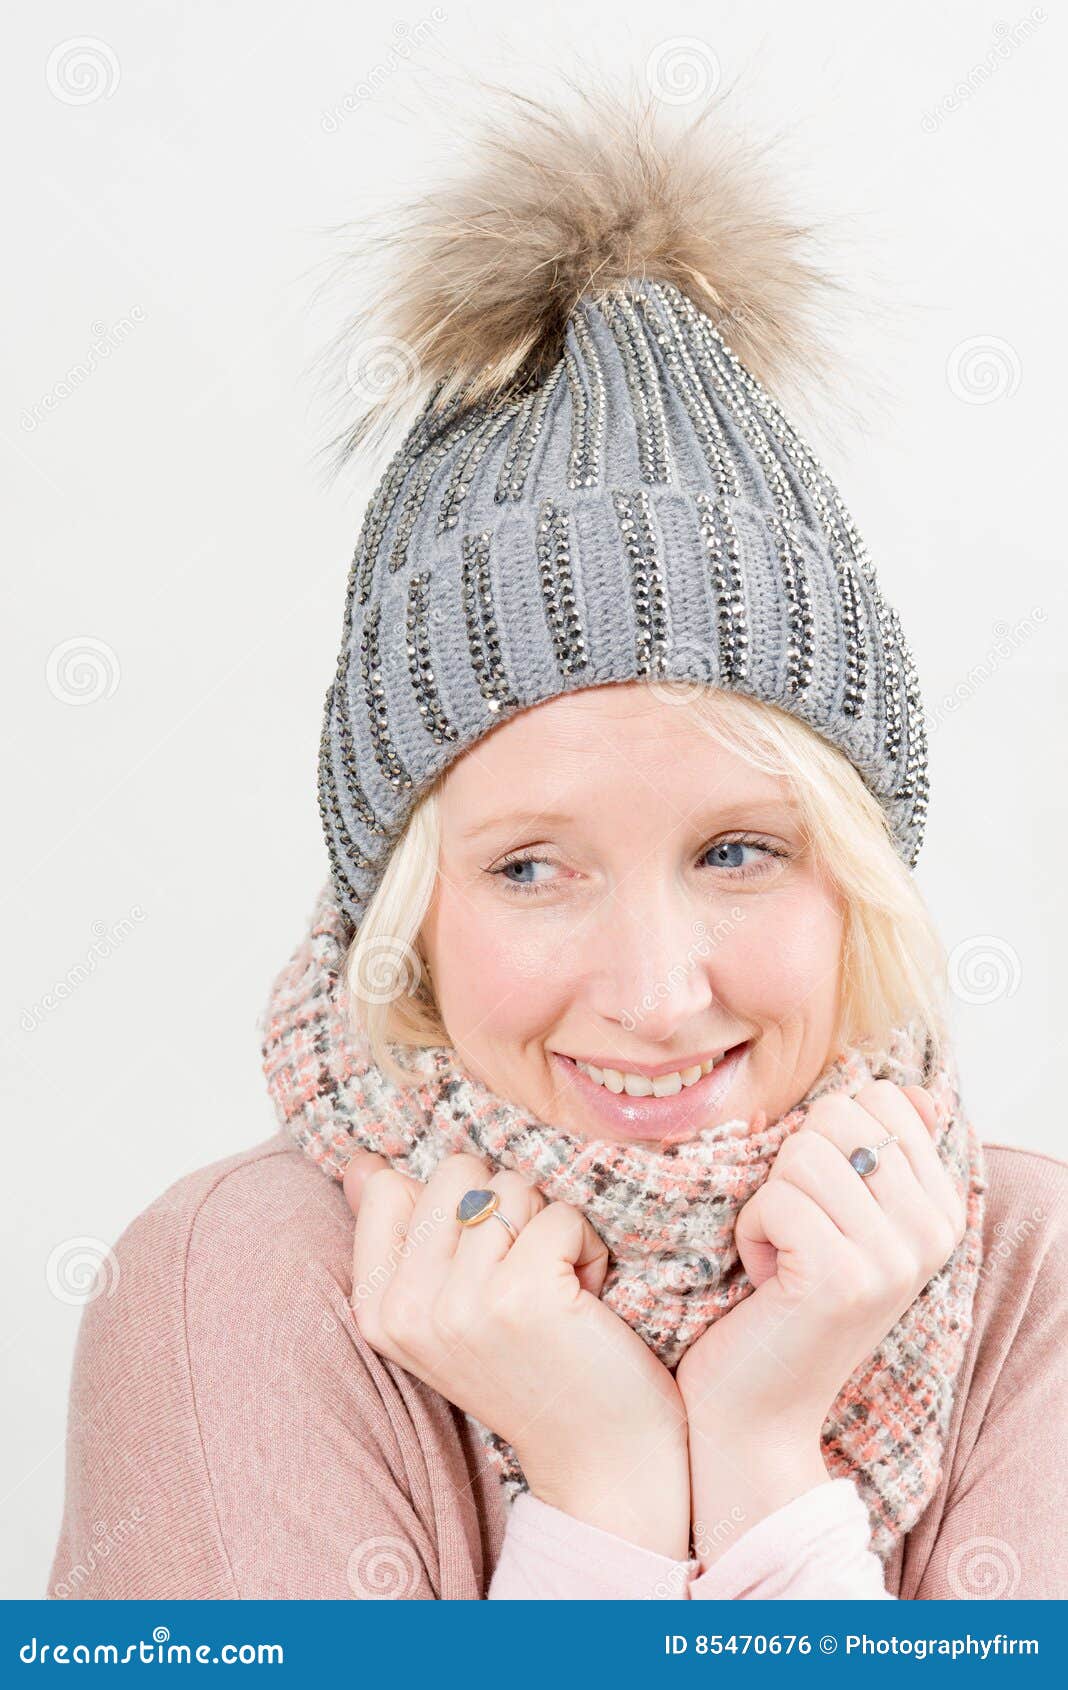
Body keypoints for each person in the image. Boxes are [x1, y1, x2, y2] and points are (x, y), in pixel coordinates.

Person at [48, 80, 1066, 1601]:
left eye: (740, 851)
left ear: (858, 881)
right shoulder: (228, 1287)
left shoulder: (1032, 1280)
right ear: (407, 919)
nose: (657, 991)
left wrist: (768, 1444)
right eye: (534, 866)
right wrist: (603, 1485)